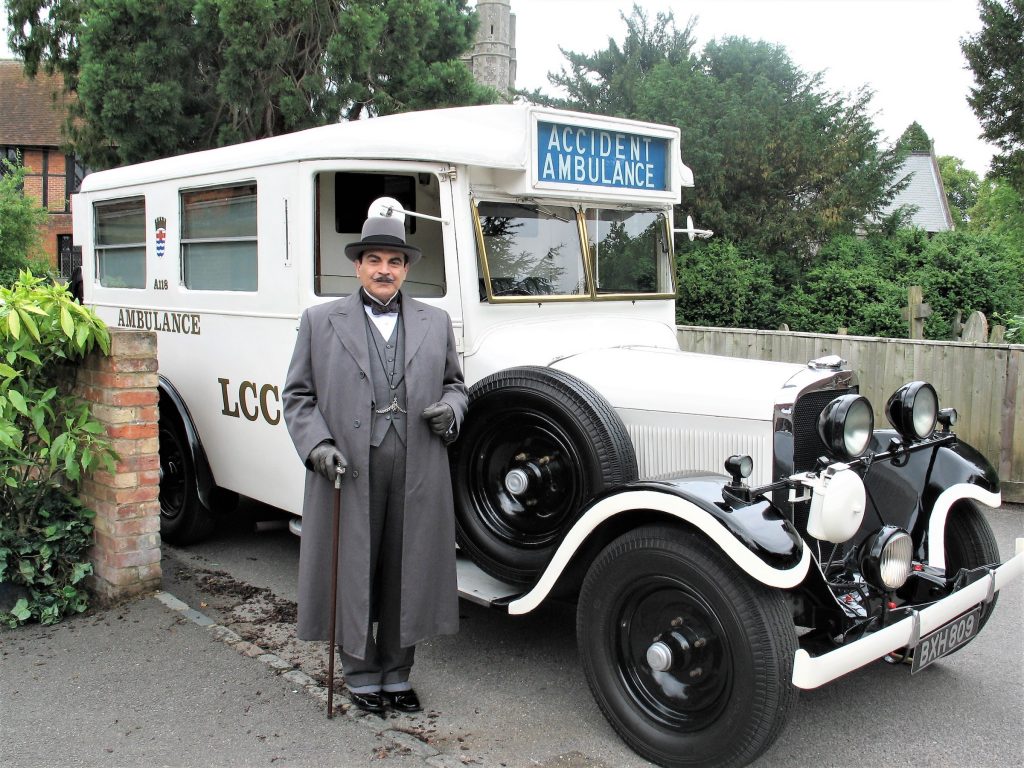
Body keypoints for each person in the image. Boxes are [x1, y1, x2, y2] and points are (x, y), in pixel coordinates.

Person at [282, 197, 468, 716]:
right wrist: (318, 445)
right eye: (374, 260)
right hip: (350, 471)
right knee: (355, 568)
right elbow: (297, 395)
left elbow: (457, 385)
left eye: (395, 261)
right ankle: (361, 674)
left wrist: (451, 410)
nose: (384, 270)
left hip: (416, 469)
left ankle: (397, 672)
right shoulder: (320, 321)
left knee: (405, 572)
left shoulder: (435, 321)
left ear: (406, 267)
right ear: (358, 265)